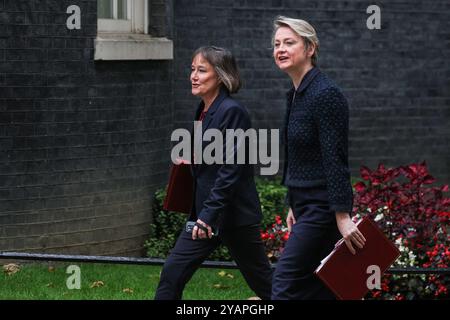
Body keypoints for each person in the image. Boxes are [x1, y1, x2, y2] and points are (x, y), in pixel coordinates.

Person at [154, 46, 273, 300]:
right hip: (205, 217)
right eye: (192, 70)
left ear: (219, 76)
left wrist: (208, 216)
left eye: (201, 70)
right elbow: (214, 158)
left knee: (265, 285)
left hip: (232, 217)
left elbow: (231, 169)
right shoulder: (203, 109)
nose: (193, 76)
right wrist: (195, 160)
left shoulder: (232, 111)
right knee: (172, 272)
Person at [270, 16, 366, 300]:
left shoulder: (326, 95)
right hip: (304, 205)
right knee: (318, 287)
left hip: (321, 208)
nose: (280, 49)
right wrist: (292, 204)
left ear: (310, 48)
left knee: (284, 282)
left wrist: (343, 215)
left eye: (289, 42)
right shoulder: (297, 94)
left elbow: (334, 158)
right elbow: (300, 157)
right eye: (276, 44)